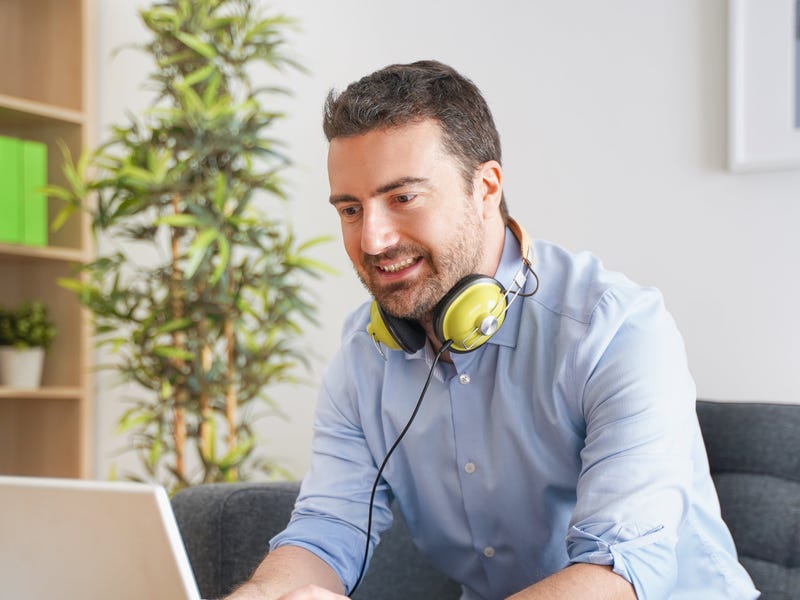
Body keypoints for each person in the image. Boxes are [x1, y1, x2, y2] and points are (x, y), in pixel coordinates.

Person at [227, 60, 759, 600]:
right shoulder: (363, 356)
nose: (372, 240)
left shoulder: (617, 329)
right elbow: (326, 530)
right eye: (349, 208)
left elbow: (620, 569)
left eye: (403, 198)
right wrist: (259, 596)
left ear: (486, 188)